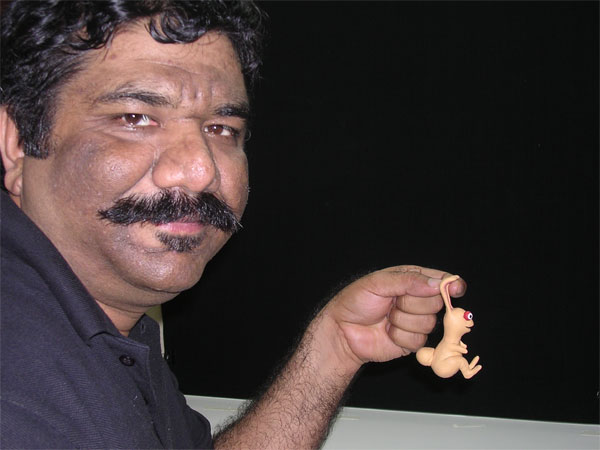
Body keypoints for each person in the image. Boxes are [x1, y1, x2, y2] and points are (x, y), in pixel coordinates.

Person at [0, 1, 466, 448]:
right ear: (17, 141)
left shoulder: (101, 322)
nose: (201, 170)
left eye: (221, 129)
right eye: (136, 118)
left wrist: (334, 349)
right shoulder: (18, 390)